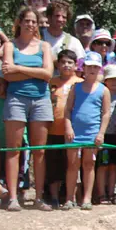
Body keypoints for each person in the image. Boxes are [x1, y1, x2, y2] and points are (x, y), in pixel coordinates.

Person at [1, 7, 55, 211]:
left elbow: (48, 73)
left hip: (41, 99)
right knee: (14, 150)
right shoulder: (10, 45)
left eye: (34, 21)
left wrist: (19, 69)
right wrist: (36, 73)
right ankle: (14, 197)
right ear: (20, 22)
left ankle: (39, 197)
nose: (30, 25)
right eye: (27, 21)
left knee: (39, 151)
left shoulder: (44, 46)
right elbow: (7, 74)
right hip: (16, 99)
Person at [63, 52, 112, 210]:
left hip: (92, 132)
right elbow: (68, 110)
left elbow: (105, 113)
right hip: (74, 133)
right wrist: (68, 127)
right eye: (89, 66)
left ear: (100, 69)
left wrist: (101, 133)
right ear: (83, 68)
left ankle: (87, 198)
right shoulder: (75, 88)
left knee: (89, 164)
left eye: (95, 67)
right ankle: (69, 198)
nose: (92, 69)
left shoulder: (103, 90)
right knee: (72, 164)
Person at [47, 48, 81, 207]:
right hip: (53, 128)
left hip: (75, 131)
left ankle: (71, 197)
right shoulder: (51, 82)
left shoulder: (80, 83)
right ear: (58, 65)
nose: (66, 65)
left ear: (76, 65)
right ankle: (53, 197)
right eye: (63, 62)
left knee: (72, 165)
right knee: (53, 164)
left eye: (70, 62)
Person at [97, 64, 116, 204]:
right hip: (103, 135)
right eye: (111, 79)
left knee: (114, 165)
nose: (115, 82)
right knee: (103, 164)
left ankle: (111, 192)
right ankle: (101, 194)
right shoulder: (100, 95)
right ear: (105, 80)